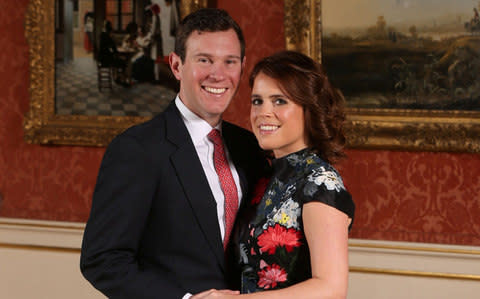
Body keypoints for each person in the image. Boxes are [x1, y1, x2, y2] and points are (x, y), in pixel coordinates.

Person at [80, 8, 268, 299]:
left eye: (229, 62)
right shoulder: (137, 149)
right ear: (176, 65)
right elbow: (103, 260)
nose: (218, 75)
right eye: (204, 60)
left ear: (242, 67)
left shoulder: (250, 147)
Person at [198, 51, 355, 298]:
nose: (263, 112)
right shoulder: (264, 177)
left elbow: (331, 289)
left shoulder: (321, 184)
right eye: (257, 101)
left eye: (279, 101)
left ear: (309, 109)